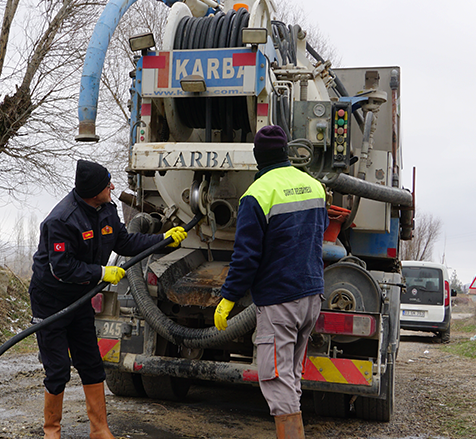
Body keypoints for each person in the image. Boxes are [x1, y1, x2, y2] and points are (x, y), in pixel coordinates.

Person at [28, 159, 187, 439]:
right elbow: (61, 267)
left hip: (81, 295)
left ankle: (100, 430)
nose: (112, 186)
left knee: (91, 362)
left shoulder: (106, 209)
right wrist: (102, 272)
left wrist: (163, 240)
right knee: (58, 369)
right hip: (51, 300)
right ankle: (51, 432)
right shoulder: (61, 220)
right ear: (93, 191)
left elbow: (124, 242)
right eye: (107, 184)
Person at [214, 125, 327, 439]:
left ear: (257, 158)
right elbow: (318, 234)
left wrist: (228, 297)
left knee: (276, 378)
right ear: (286, 152)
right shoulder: (314, 186)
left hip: (280, 301)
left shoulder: (257, 194)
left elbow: (246, 255)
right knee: (290, 376)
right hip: (312, 295)